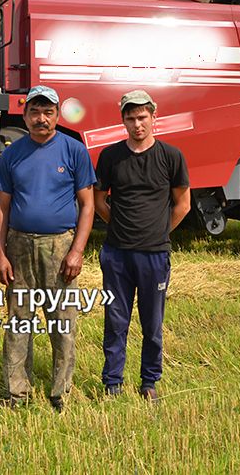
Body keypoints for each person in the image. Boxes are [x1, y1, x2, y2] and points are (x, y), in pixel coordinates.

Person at [0, 85, 96, 412]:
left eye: (48, 112)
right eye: (34, 112)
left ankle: (59, 393)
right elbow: (1, 208)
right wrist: (0, 253)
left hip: (60, 247)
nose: (41, 118)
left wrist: (77, 251)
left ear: (56, 114)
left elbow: (88, 205)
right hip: (19, 246)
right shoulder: (12, 154)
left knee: (62, 324)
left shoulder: (74, 150)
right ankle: (17, 393)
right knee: (19, 323)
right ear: (24, 115)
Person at [94, 90, 191, 401]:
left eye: (142, 117)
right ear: (122, 120)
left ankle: (149, 382)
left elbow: (183, 204)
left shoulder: (171, 156)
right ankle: (112, 383)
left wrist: (159, 232)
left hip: (155, 255)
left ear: (153, 116)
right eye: (131, 118)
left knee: (152, 324)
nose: (137, 124)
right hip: (116, 254)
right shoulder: (110, 157)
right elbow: (98, 201)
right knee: (115, 321)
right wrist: (120, 226)